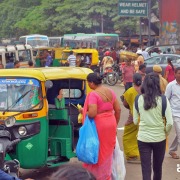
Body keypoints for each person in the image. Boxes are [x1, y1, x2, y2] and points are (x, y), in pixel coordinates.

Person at [80, 73, 121, 179]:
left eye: (88, 83)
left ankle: (96, 176)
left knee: (98, 150)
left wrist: (83, 111)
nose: (88, 85)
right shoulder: (110, 92)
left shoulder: (93, 94)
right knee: (107, 151)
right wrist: (115, 124)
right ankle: (106, 175)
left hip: (100, 125)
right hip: (111, 123)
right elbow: (118, 109)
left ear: (92, 83)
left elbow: (92, 113)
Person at [133, 72, 173, 180]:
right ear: (158, 84)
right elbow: (170, 123)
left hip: (143, 138)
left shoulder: (138, 99)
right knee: (157, 167)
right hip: (159, 138)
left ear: (144, 84)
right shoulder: (164, 100)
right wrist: (165, 132)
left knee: (146, 168)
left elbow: (135, 121)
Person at [122, 73, 142, 163]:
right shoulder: (145, 90)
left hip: (133, 116)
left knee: (127, 136)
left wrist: (131, 107)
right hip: (144, 117)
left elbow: (125, 103)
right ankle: (140, 154)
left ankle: (131, 155)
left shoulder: (130, 91)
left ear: (133, 80)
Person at [165, 67, 180, 159]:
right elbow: (166, 99)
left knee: (179, 133)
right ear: (175, 74)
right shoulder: (171, 85)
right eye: (179, 73)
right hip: (175, 113)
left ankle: (172, 149)